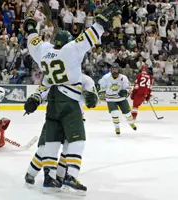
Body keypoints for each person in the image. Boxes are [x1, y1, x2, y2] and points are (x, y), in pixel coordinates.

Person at [23, 1, 122, 194]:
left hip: (52, 101)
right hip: (68, 103)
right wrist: (101, 22)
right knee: (75, 142)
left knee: (50, 143)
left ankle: (50, 178)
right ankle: (68, 175)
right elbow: (89, 36)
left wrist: (31, 27)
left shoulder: (43, 50)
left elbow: (32, 40)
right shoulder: (72, 50)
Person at [24, 73, 97, 187]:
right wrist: (35, 99)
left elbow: (93, 99)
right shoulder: (55, 76)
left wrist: (92, 99)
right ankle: (31, 173)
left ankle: (59, 176)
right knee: (45, 148)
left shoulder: (85, 79)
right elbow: (43, 91)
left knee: (69, 150)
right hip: (56, 117)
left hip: (74, 118)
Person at [98, 63, 137, 135]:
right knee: (114, 113)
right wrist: (102, 93)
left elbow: (128, 88)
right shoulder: (106, 77)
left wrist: (126, 92)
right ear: (111, 69)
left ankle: (131, 123)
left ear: (119, 69)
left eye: (116, 69)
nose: (115, 70)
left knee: (128, 113)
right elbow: (101, 88)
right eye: (113, 69)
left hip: (121, 98)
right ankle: (117, 127)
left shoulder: (123, 77)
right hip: (110, 99)